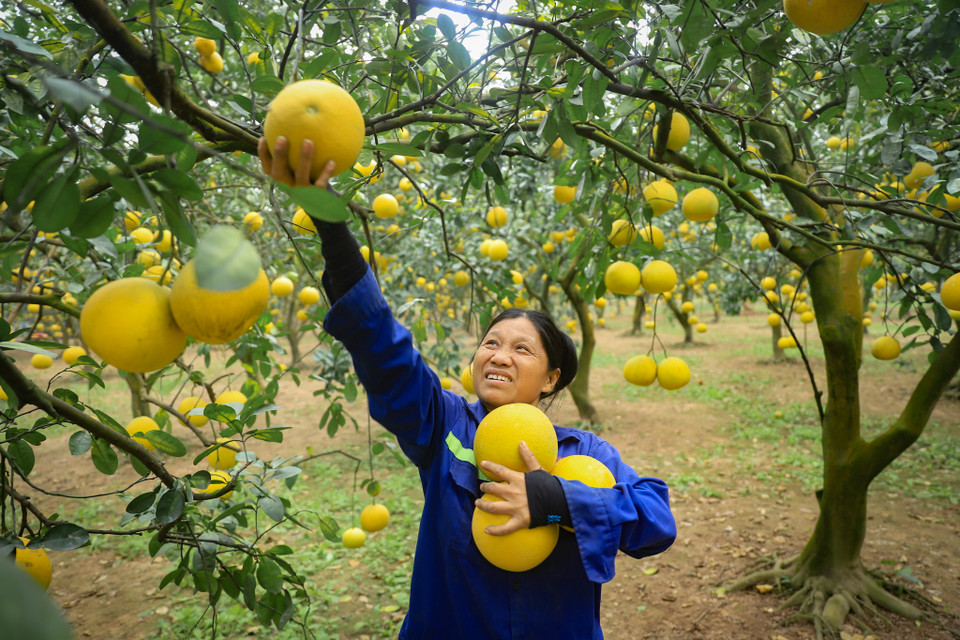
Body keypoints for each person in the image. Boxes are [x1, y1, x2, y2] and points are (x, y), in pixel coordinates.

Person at [259, 137, 677, 640]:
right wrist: (326, 215)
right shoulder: (445, 426)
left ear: (551, 379)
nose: (499, 355)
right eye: (490, 342)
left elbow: (656, 522)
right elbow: (384, 351)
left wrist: (556, 497)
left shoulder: (585, 452)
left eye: (522, 350)